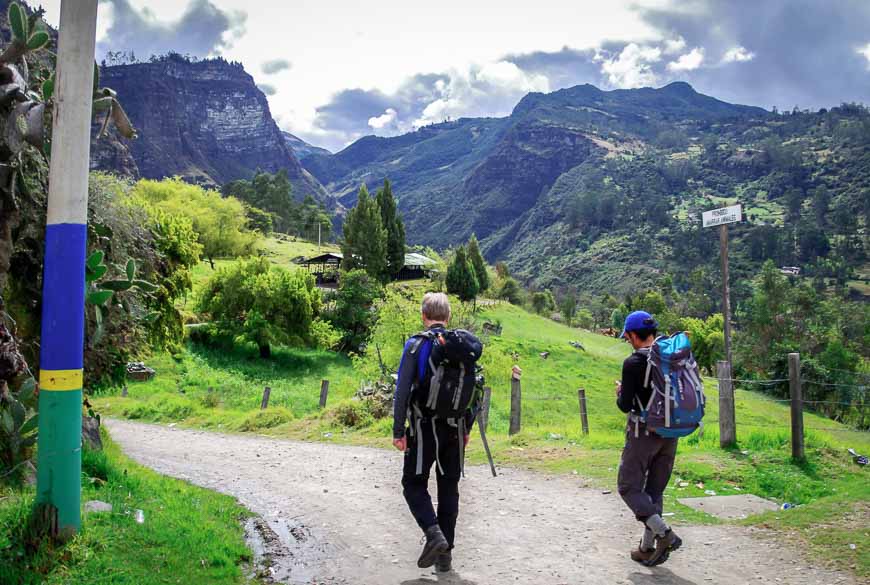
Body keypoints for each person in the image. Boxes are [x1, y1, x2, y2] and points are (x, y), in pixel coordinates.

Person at [392, 292, 473, 573]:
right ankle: (445, 556)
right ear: (448, 317)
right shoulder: (462, 346)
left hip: (422, 427)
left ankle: (433, 533)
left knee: (413, 483)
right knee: (449, 488)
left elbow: (402, 391)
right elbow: (474, 392)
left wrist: (398, 430)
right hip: (454, 429)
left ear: (424, 317)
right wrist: (467, 428)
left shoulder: (416, 345)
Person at [615, 310, 682, 567]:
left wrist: (620, 392)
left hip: (644, 433)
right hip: (671, 433)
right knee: (654, 491)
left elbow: (625, 405)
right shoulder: (672, 356)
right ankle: (647, 548)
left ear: (633, 335)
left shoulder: (633, 363)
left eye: (627, 336)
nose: (628, 341)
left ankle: (664, 535)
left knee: (628, 487)